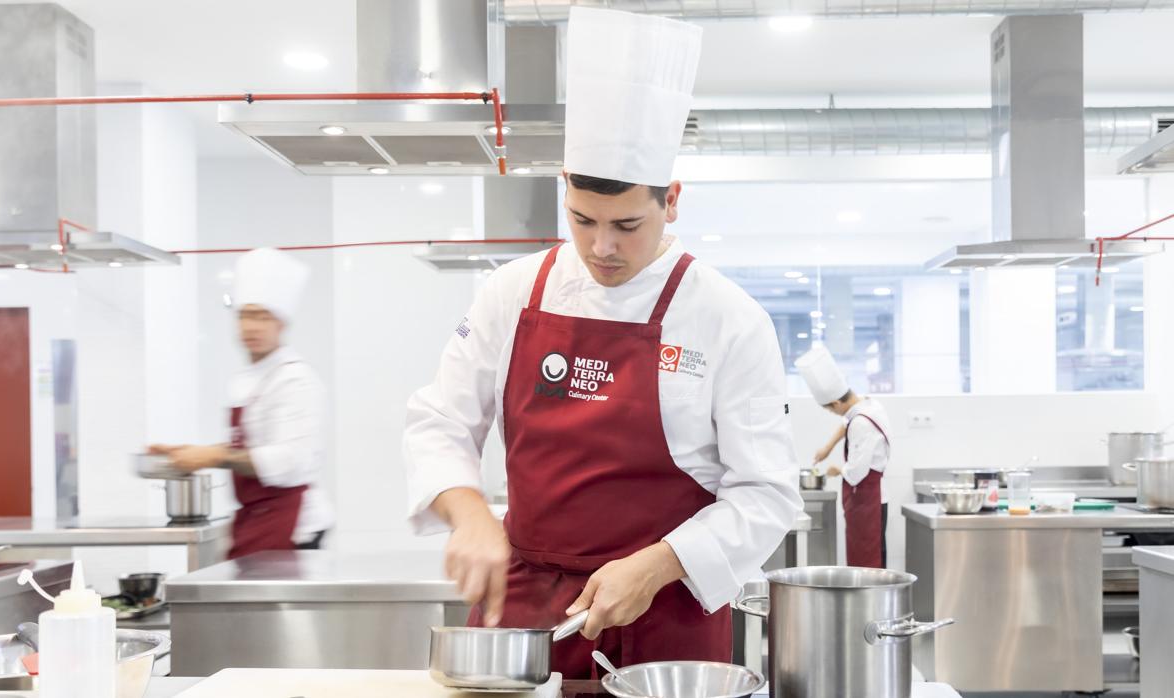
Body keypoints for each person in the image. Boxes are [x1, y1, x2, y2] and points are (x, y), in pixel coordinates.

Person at [402, 7, 801, 679]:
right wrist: (468, 513)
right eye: (581, 220)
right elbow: (438, 421)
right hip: (526, 603)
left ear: (671, 199)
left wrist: (658, 564)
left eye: (627, 224)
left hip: (667, 612)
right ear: (564, 190)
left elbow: (765, 494)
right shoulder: (514, 292)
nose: (601, 248)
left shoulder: (727, 318)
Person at [149, 248, 333, 558]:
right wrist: (189, 453)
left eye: (263, 317)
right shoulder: (249, 378)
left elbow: (291, 461)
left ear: (281, 324)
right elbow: (251, 447)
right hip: (257, 516)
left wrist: (212, 456)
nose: (252, 327)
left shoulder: (295, 379)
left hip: (292, 522)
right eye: (246, 315)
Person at [796, 345, 892, 568]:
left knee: (868, 562)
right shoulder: (869, 406)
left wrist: (837, 470)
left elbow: (857, 472)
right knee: (867, 557)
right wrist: (829, 446)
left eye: (831, 410)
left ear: (837, 403)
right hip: (870, 498)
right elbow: (847, 421)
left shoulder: (861, 423)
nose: (833, 413)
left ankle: (870, 604)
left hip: (868, 499)